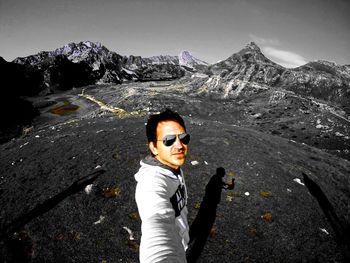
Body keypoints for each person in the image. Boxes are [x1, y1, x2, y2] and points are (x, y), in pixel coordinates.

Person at [134, 109, 191, 262]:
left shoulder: (173, 166)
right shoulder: (151, 182)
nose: (180, 145)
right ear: (153, 147)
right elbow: (157, 218)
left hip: (183, 240)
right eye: (169, 140)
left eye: (184, 138)